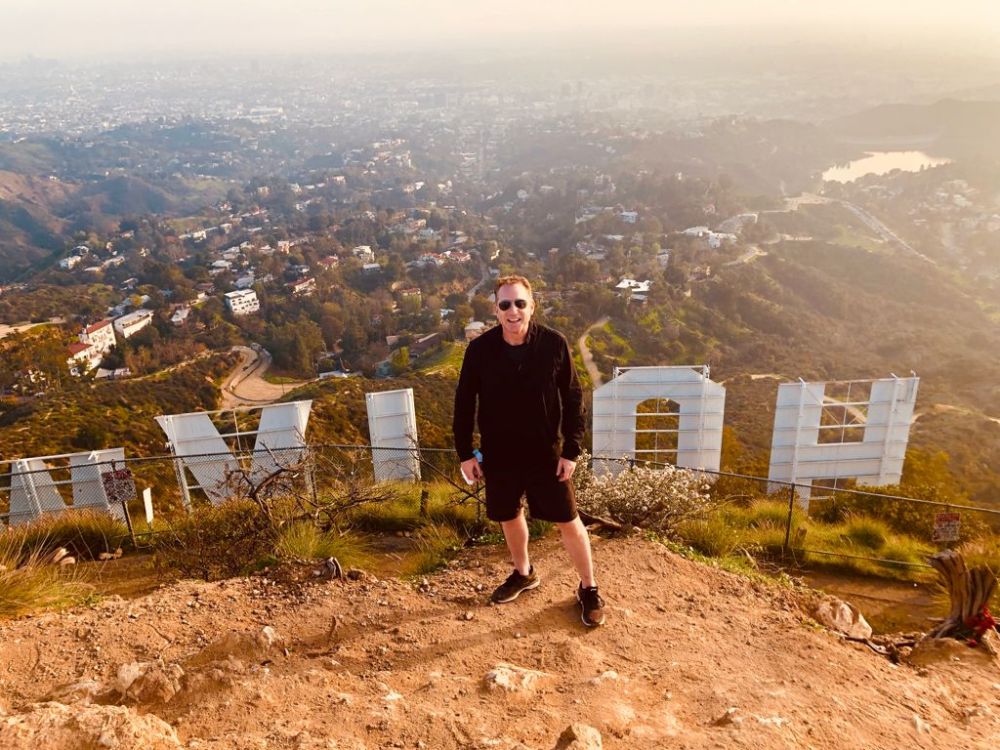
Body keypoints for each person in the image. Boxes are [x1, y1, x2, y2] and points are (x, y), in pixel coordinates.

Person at [453, 274, 605, 627]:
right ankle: (524, 573)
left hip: (545, 452)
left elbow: (572, 398)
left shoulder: (553, 344)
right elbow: (464, 403)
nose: (513, 310)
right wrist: (465, 452)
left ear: (531, 307)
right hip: (499, 453)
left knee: (569, 520)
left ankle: (589, 587)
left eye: (520, 303)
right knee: (509, 514)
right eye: (505, 304)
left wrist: (571, 450)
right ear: (495, 310)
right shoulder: (480, 350)